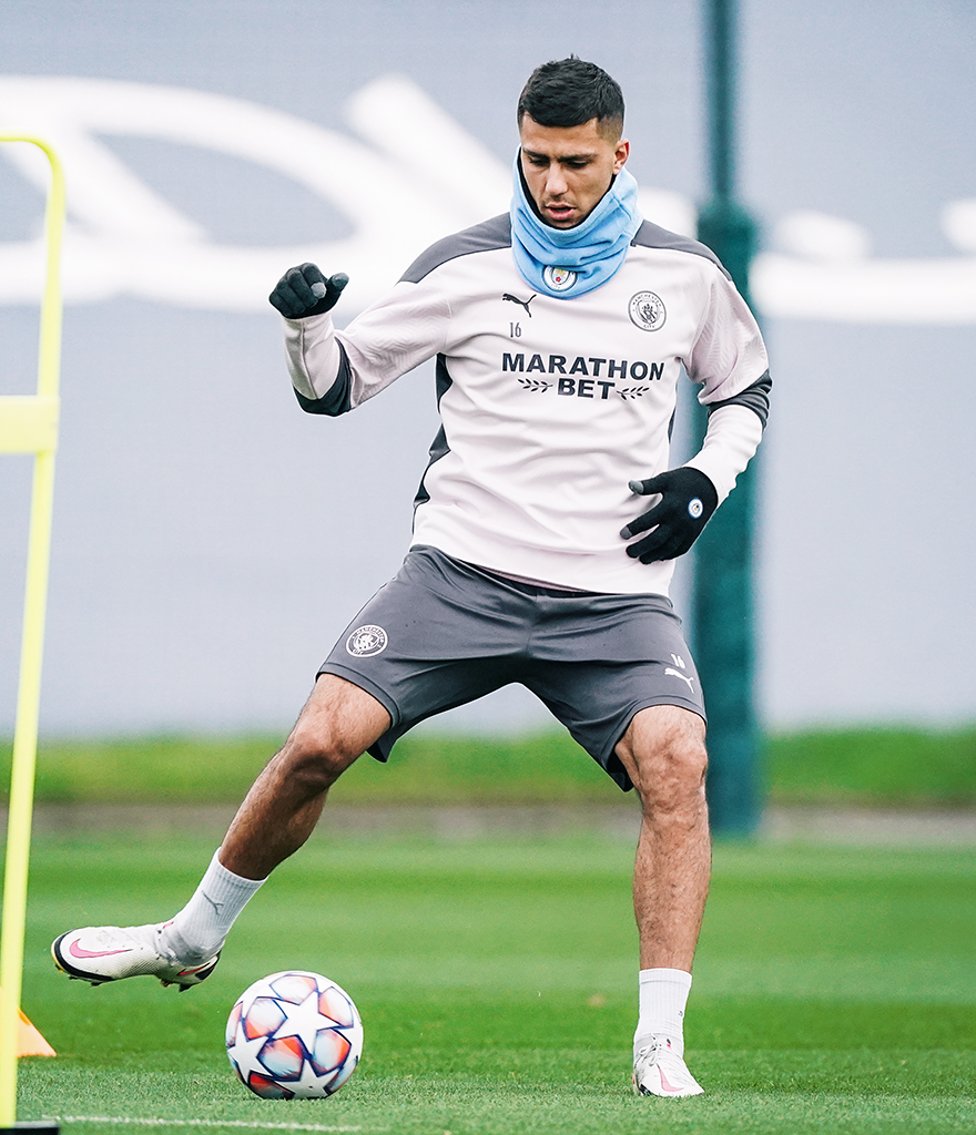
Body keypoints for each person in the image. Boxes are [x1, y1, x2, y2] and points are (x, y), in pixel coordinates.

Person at [52, 56, 770, 1099]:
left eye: (575, 162)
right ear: (516, 151)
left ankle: (659, 1041)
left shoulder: (684, 275)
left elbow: (743, 384)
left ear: (621, 156)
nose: (554, 183)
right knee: (318, 739)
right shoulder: (465, 266)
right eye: (535, 160)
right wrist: (303, 327)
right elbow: (333, 387)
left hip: (612, 593)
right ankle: (188, 933)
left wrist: (708, 472)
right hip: (461, 574)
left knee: (679, 761)